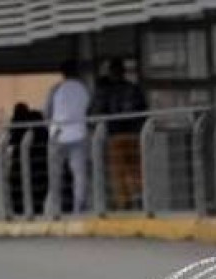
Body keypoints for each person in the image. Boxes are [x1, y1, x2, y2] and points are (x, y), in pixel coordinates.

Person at [92, 58, 148, 210]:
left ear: (111, 72)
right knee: (136, 169)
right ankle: (139, 198)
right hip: (134, 135)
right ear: (124, 72)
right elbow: (143, 110)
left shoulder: (106, 91)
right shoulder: (133, 88)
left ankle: (124, 203)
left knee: (119, 173)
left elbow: (97, 111)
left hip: (115, 136)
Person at [43, 60, 91, 215]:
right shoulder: (85, 89)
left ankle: (55, 208)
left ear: (62, 73)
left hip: (58, 134)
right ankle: (79, 208)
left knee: (55, 174)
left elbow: (46, 112)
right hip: (79, 133)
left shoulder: (56, 89)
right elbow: (90, 109)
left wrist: (50, 126)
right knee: (79, 173)